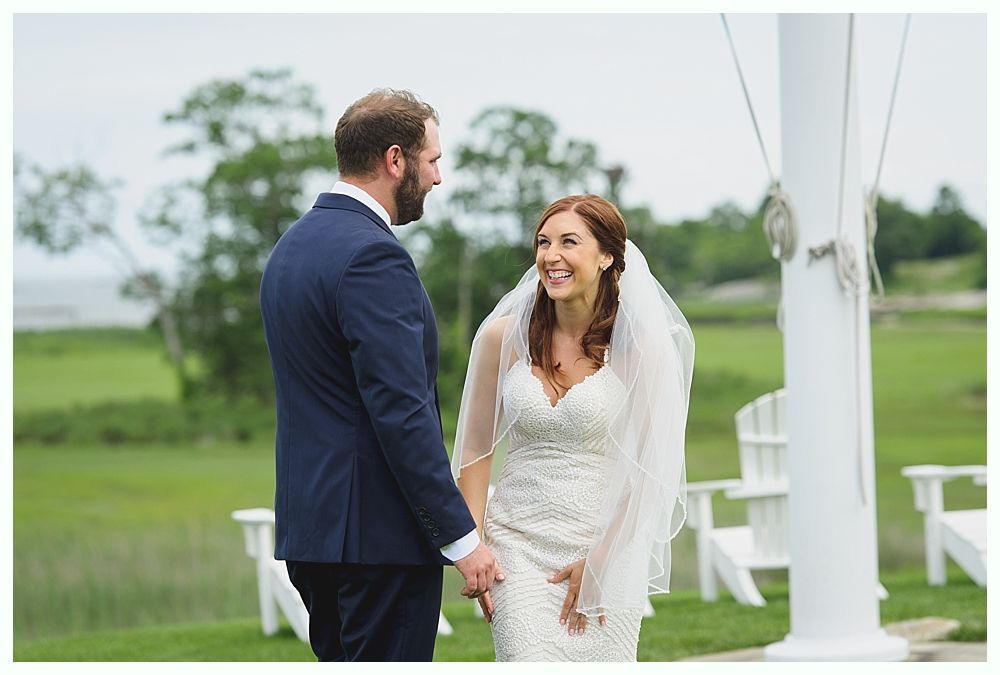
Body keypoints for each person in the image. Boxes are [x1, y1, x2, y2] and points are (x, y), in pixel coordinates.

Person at [259, 89, 503, 662]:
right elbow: (401, 411)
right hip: (377, 541)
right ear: (396, 160)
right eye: (433, 160)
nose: (438, 177)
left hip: (314, 534)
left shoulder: (291, 249)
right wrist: (461, 538)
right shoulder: (374, 256)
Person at [452, 195, 694, 662]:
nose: (550, 256)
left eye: (569, 242)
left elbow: (652, 470)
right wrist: (475, 543)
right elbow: (476, 450)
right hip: (516, 546)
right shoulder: (502, 337)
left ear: (607, 256)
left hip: (607, 543)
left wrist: (601, 559)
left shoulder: (640, 348)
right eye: (543, 243)